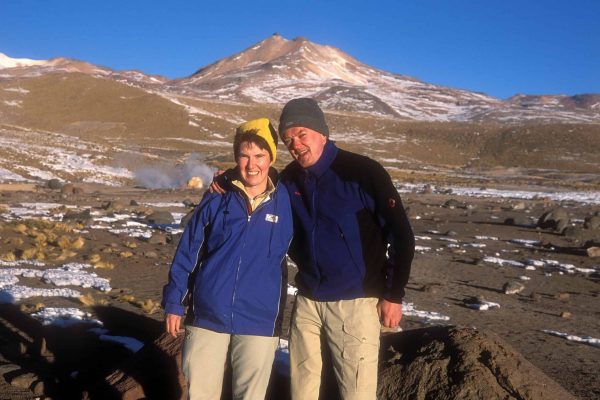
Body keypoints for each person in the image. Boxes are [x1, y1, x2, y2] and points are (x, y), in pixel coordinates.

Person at [213, 98, 415, 400]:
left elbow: (401, 235)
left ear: (322, 132)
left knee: (356, 393)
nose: (296, 144)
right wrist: (228, 178)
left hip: (355, 302)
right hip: (307, 301)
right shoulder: (291, 178)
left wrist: (393, 294)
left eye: (302, 134)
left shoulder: (362, 172)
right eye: (288, 139)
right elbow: (258, 177)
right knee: (302, 390)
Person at [162, 118, 293, 400]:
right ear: (236, 158)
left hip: (260, 319)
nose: (251, 164)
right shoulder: (218, 197)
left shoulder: (288, 200)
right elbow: (188, 250)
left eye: (259, 156)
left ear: (271, 157)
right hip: (207, 315)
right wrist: (174, 301)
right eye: (244, 156)